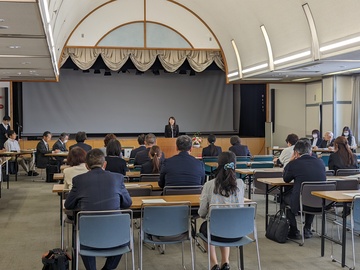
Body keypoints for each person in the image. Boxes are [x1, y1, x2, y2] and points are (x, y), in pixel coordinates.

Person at [64, 149, 132, 270]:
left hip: (88, 236)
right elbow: (127, 203)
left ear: (86, 165)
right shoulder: (118, 178)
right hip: (116, 236)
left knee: (83, 232)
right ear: (104, 164)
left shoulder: (79, 180)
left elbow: (68, 205)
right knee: (124, 236)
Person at [198, 151, 244, 270]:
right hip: (237, 232)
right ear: (235, 165)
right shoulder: (240, 184)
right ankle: (225, 262)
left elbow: (202, 213)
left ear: (218, 165)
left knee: (206, 227)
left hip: (215, 233)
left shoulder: (209, 185)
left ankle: (214, 264)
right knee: (227, 223)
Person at [283, 139, 326, 239]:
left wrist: (290, 162)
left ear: (296, 153)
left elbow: (286, 179)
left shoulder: (294, 164)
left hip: (301, 203)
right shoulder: (320, 163)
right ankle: (307, 229)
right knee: (311, 195)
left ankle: (294, 230)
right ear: (310, 151)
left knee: (284, 199)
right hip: (320, 202)